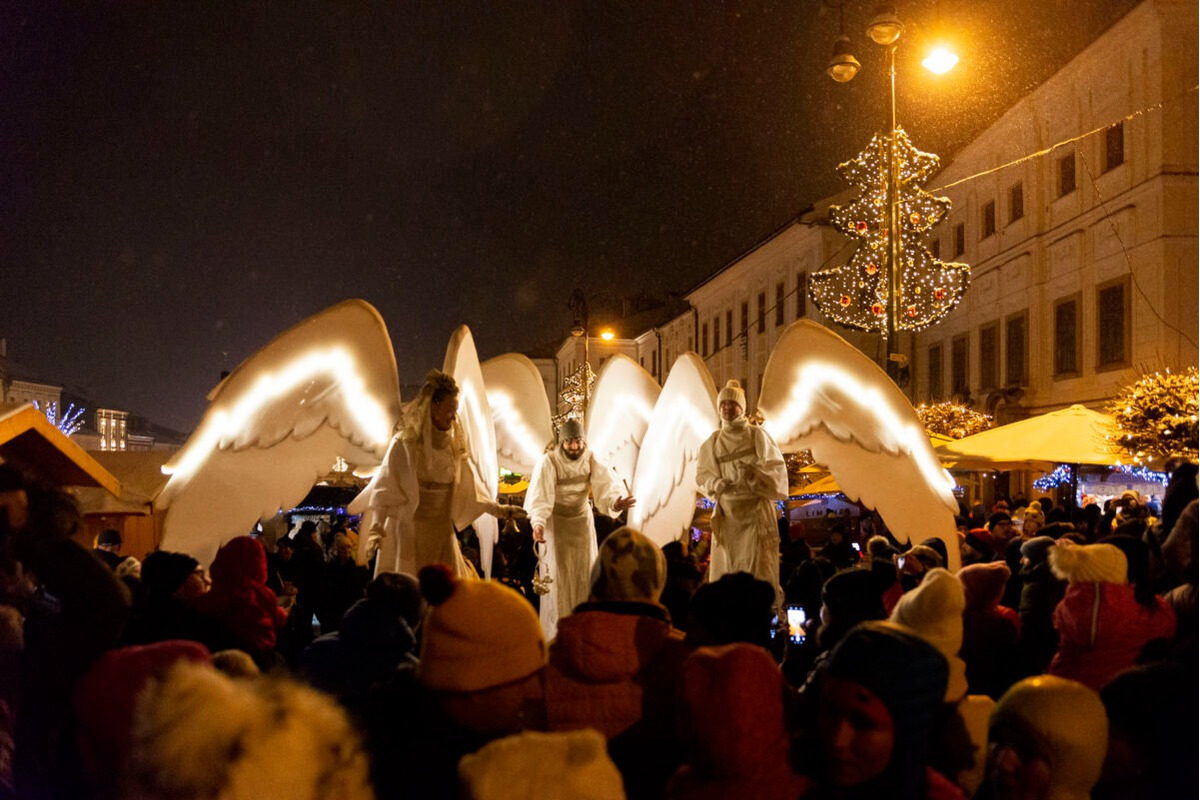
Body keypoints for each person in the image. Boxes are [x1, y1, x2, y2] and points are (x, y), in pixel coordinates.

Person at [362, 370, 516, 578]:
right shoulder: (404, 445)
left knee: (445, 594)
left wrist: (500, 510)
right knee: (413, 592)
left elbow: (471, 491)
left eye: (456, 410)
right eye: (450, 409)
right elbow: (386, 488)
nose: (454, 416)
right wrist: (376, 529)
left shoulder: (453, 449)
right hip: (410, 533)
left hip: (442, 534)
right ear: (434, 406)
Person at [524, 418, 635, 638]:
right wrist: (538, 524)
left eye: (578, 441)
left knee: (585, 573)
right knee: (559, 578)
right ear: (562, 442)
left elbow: (607, 485)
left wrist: (615, 502)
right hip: (557, 525)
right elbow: (540, 497)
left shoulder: (591, 458)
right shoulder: (549, 462)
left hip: (582, 523)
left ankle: (585, 629)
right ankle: (558, 633)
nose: (575, 447)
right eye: (570, 442)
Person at [696, 379, 788, 606]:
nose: (727, 408)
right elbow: (701, 475)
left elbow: (776, 470)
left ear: (742, 407)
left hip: (755, 513)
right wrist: (716, 483)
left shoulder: (758, 435)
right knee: (728, 565)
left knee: (758, 566)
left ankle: (759, 610)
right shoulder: (713, 441)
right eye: (723, 404)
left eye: (732, 403)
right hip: (728, 517)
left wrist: (755, 475)